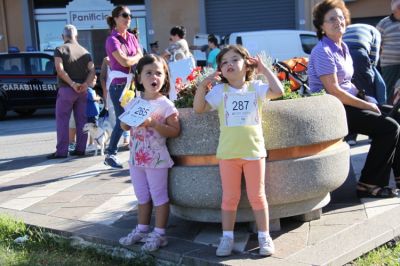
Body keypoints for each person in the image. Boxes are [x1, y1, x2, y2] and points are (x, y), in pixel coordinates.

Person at [193, 45, 284, 257]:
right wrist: (203, 85)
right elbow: (198, 109)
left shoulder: (256, 87)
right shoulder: (219, 92)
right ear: (220, 70)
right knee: (229, 198)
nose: (229, 64)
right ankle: (227, 237)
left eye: (234, 59)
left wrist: (264, 69)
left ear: (246, 64)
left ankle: (264, 236)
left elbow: (278, 92)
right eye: (224, 62)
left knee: (258, 196)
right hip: (228, 154)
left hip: (254, 152)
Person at [308, 0, 400, 198]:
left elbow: (347, 84)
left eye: (341, 18)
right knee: (389, 127)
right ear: (321, 26)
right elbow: (334, 91)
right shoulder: (323, 51)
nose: (338, 22)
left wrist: (366, 96)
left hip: (346, 104)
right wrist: (367, 104)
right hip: (331, 109)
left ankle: (397, 177)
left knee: (396, 116)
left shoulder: (343, 47)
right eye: (331, 19)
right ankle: (368, 183)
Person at [118, 54, 180, 252]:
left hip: (157, 160)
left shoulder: (166, 105)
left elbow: (175, 131)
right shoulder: (135, 102)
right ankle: (142, 229)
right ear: (139, 78)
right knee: (142, 196)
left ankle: (160, 234)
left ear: (165, 78)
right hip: (136, 159)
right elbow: (124, 126)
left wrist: (154, 123)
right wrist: (126, 122)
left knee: (159, 197)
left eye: (159, 73)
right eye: (149, 73)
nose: (154, 77)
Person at [47, 24, 95, 159]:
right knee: (82, 120)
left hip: (67, 89)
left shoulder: (59, 49)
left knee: (62, 120)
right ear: (76, 36)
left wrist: (72, 84)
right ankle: (81, 149)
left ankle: (61, 151)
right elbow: (92, 71)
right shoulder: (85, 51)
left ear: (63, 36)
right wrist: (85, 84)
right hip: (82, 91)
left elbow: (59, 69)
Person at [104, 5, 143, 168]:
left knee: (134, 119)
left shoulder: (132, 37)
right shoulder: (112, 40)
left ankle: (137, 151)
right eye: (124, 15)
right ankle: (111, 153)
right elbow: (125, 61)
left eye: (130, 16)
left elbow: (141, 56)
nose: (128, 19)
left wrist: (134, 57)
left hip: (132, 84)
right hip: (119, 85)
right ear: (115, 19)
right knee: (124, 120)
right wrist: (136, 57)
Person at [342, 23, 386, 145]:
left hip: (343, 56)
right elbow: (373, 59)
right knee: (368, 94)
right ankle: (374, 132)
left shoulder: (348, 28)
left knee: (351, 95)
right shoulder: (375, 32)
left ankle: (350, 137)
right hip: (359, 55)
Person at [376, 0, 400, 104]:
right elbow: (375, 43)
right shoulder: (384, 23)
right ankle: (388, 115)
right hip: (390, 65)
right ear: (395, 9)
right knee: (389, 92)